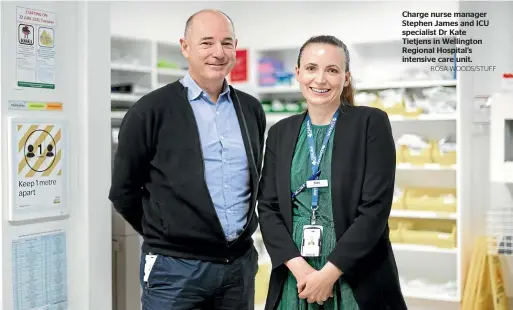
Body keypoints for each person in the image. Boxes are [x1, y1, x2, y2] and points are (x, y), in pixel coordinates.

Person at [109, 9, 266, 310]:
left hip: (238, 268)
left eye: (226, 43)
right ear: (185, 47)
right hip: (175, 271)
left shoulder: (250, 109)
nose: (218, 53)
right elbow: (123, 191)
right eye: (206, 43)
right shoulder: (151, 110)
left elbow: (254, 179)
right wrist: (168, 232)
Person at [257, 35, 407, 310]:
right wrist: (302, 271)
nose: (321, 79)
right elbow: (267, 208)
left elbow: (374, 210)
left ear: (346, 78)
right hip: (296, 275)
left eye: (332, 70)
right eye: (312, 68)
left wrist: (328, 275)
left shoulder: (370, 124)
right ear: (298, 74)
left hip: (354, 274)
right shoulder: (281, 133)